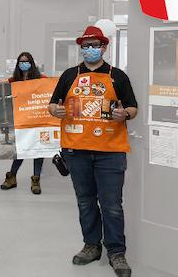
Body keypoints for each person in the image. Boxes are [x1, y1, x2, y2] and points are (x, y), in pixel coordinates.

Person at [47, 26, 138, 277]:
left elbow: (132, 107)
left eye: (94, 45)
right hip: (76, 151)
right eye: (85, 46)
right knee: (85, 201)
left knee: (111, 205)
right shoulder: (69, 75)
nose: (89, 49)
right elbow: (53, 105)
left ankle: (117, 253)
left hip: (111, 151)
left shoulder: (117, 76)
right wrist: (55, 111)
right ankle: (91, 246)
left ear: (104, 47)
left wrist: (124, 114)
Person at [0, 52, 47, 194]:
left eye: (26, 61)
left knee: (38, 150)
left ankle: (36, 180)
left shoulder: (41, 79)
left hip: (37, 119)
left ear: (31, 63)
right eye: (21, 62)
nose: (24, 64)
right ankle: (12, 177)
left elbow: (53, 86)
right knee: (21, 149)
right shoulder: (14, 80)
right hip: (21, 119)